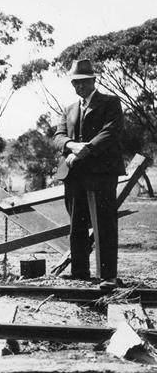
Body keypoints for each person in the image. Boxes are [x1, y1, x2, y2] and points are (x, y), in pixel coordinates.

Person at [53, 59, 126, 289]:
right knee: (77, 225)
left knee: (104, 223)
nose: (79, 86)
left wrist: (87, 149)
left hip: (101, 174)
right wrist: (71, 146)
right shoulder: (69, 109)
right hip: (74, 175)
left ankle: (108, 277)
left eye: (84, 82)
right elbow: (58, 136)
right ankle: (80, 273)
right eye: (75, 82)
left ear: (94, 80)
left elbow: (111, 131)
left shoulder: (110, 103)